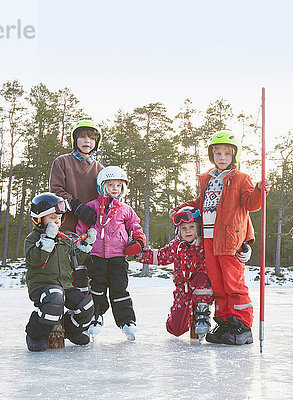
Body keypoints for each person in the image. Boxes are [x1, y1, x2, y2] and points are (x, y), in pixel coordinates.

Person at [170, 131, 269, 346]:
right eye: (218, 153)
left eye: (226, 154)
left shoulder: (241, 178)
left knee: (233, 284)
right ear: (211, 156)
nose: (222, 158)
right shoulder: (208, 179)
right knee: (218, 284)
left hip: (229, 239)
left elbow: (251, 203)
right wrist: (180, 208)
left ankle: (241, 325)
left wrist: (260, 191)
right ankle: (224, 322)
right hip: (209, 239)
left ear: (234, 156)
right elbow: (200, 202)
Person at [76, 166, 146, 341]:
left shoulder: (125, 209)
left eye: (119, 185)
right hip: (96, 256)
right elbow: (81, 228)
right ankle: (95, 316)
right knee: (97, 288)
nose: (115, 188)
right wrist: (82, 243)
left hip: (118, 256)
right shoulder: (91, 207)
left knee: (119, 288)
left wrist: (138, 240)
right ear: (102, 186)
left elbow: (135, 226)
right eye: (111, 185)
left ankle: (126, 320)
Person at [24, 193, 97, 352]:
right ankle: (35, 335)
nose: (56, 222)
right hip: (42, 286)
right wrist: (47, 240)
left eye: (58, 218)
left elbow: (74, 260)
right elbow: (35, 260)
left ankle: (72, 331)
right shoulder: (32, 239)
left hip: (64, 285)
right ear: (39, 219)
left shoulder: (63, 239)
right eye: (52, 218)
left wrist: (86, 245)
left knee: (87, 305)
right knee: (54, 297)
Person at [138, 207, 213, 340]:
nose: (188, 231)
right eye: (183, 228)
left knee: (202, 278)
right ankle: (176, 319)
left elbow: (222, 255)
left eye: (191, 227)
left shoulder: (205, 245)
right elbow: (160, 256)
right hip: (182, 289)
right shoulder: (176, 246)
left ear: (198, 228)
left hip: (201, 287)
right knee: (176, 329)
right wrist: (139, 253)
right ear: (178, 230)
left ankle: (202, 316)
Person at [50, 120, 104, 294]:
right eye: (82, 137)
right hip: (66, 228)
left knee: (90, 279)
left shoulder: (100, 170)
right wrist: (77, 206)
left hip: (90, 232)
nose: (86, 140)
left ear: (96, 142)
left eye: (91, 137)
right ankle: (61, 315)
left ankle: (88, 317)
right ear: (75, 140)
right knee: (66, 277)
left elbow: (107, 197)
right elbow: (56, 190)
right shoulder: (62, 162)